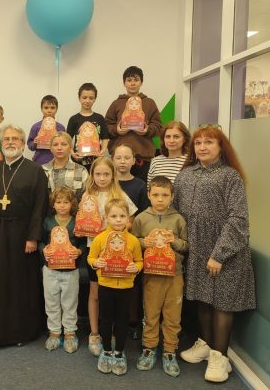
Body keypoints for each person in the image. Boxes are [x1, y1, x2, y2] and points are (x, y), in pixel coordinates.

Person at [174, 125, 256, 383]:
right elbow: (174, 212)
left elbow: (238, 219)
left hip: (224, 251)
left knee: (222, 302)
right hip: (196, 248)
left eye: (209, 142)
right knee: (202, 298)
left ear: (221, 147)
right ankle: (206, 344)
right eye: (198, 143)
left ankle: (220, 357)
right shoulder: (185, 176)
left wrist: (219, 254)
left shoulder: (230, 176)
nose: (202, 147)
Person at [0, 125, 48, 346]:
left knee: (22, 282)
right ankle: (1, 332)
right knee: (0, 280)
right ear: (1, 143)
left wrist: (33, 237)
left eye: (15, 139)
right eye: (7, 139)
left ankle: (23, 332)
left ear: (23, 143)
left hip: (23, 233)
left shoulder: (35, 170)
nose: (10, 142)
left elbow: (40, 206)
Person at [79, 157, 137, 357]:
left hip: (118, 253)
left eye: (106, 174)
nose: (102, 178)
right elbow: (81, 221)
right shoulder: (88, 195)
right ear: (92, 175)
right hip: (95, 251)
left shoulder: (119, 194)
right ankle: (95, 333)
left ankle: (111, 334)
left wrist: (114, 228)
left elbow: (130, 221)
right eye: (98, 174)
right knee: (95, 293)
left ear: (113, 175)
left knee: (114, 296)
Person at [131, 176, 188, 377]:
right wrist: (144, 242)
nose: (160, 199)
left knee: (173, 315)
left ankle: (170, 351)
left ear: (172, 196)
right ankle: (149, 348)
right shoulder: (141, 218)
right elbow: (133, 242)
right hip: (151, 275)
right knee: (151, 313)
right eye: (155, 195)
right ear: (149, 195)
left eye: (165, 195)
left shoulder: (178, 219)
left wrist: (174, 241)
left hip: (174, 275)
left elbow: (186, 246)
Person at [87, 198, 143, 375]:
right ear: (106, 217)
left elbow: (139, 261)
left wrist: (136, 267)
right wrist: (96, 263)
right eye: (114, 216)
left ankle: (119, 352)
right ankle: (106, 351)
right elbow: (90, 257)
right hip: (105, 286)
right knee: (105, 319)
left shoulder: (133, 240)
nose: (118, 220)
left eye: (122, 216)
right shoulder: (100, 238)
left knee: (121, 320)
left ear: (128, 218)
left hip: (126, 287)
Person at [40, 187, 85, 354]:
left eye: (66, 202)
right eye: (58, 202)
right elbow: (40, 241)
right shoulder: (47, 221)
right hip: (50, 269)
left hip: (70, 270)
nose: (62, 205)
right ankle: (54, 332)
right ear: (53, 204)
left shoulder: (77, 221)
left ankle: (70, 333)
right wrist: (44, 250)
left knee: (70, 302)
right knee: (51, 301)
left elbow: (83, 243)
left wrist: (79, 251)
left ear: (72, 204)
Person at [112, 143, 150, 339]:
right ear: (112, 160)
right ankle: (111, 321)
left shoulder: (140, 185)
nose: (122, 161)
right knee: (111, 280)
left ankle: (132, 321)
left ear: (134, 161)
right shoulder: (109, 183)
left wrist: (129, 229)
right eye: (118, 157)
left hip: (132, 241)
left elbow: (143, 215)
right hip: (109, 241)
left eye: (127, 158)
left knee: (132, 282)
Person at [104, 66, 162, 181]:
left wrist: (147, 130)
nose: (132, 83)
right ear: (124, 83)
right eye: (129, 80)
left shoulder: (149, 103)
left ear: (141, 82)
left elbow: (158, 126)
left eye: (136, 80)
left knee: (142, 189)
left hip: (143, 158)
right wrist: (117, 130)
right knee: (118, 190)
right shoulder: (116, 103)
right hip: (120, 159)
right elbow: (106, 126)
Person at [67, 83, 109, 168]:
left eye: (91, 98)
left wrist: (103, 151)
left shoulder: (99, 118)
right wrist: (72, 153)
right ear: (79, 98)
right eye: (84, 97)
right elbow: (67, 139)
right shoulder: (73, 119)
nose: (87, 101)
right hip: (78, 160)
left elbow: (105, 138)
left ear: (95, 99)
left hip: (96, 160)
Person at [42, 132, 88, 201]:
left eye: (64, 144)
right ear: (50, 148)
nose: (59, 148)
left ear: (70, 147)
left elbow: (86, 197)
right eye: (55, 145)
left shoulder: (81, 171)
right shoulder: (42, 170)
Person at [146, 120, 191, 187]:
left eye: (176, 137)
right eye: (168, 136)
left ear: (184, 139)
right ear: (163, 139)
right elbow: (150, 189)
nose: (171, 141)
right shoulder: (155, 161)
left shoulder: (190, 161)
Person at [27, 95, 66, 165]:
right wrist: (34, 142)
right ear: (41, 109)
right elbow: (30, 145)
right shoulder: (36, 126)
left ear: (57, 109)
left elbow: (65, 145)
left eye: (52, 108)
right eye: (46, 108)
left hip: (57, 162)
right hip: (39, 161)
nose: (49, 110)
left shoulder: (61, 127)